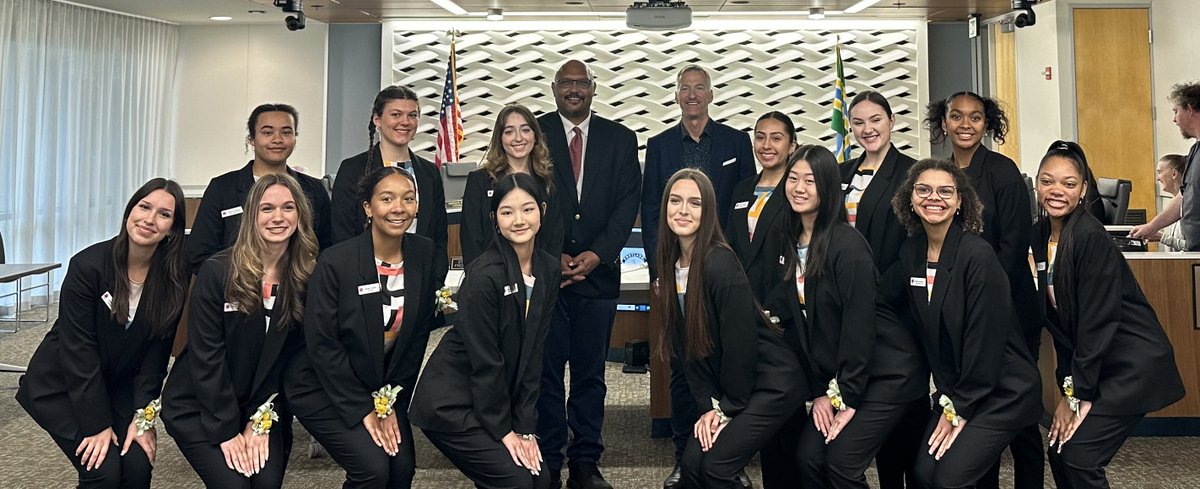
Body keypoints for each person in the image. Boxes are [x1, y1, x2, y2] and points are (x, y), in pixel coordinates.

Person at [759, 146, 926, 489]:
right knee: (807, 458)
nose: (799, 187)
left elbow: (858, 327)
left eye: (810, 180)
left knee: (840, 463)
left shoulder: (846, 246)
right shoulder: (789, 241)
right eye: (793, 178)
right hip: (844, 375)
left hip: (886, 373)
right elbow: (802, 325)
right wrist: (822, 390)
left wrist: (845, 397)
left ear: (828, 188)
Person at [1030, 141, 1185, 489]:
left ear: (1084, 189)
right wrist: (1069, 389)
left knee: (1080, 458)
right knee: (1059, 448)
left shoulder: (1089, 237)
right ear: (1037, 184)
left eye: (1069, 184)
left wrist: (1074, 398)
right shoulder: (1040, 235)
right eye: (1047, 181)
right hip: (1095, 367)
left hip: (1130, 365)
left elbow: (1096, 324)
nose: (1057, 191)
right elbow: (1063, 327)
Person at [16, 178, 188, 489]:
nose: (150, 219)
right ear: (128, 212)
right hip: (61, 385)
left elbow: (156, 356)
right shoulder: (88, 266)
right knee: (104, 471)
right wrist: (97, 425)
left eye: (164, 214)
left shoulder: (173, 278)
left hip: (117, 386)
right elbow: (78, 352)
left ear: (173, 230)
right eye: (144, 207)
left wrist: (143, 418)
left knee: (137, 465)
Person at [889, 159, 1042, 489]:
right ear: (910, 200)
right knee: (924, 473)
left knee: (948, 478)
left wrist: (958, 409)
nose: (934, 197)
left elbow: (984, 343)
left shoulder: (977, 255)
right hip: (960, 389)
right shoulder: (910, 253)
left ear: (960, 202)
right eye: (924, 190)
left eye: (946, 191)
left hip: (1002, 390)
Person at [284, 166, 440, 488]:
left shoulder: (424, 254)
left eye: (408, 199)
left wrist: (388, 403)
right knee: (373, 469)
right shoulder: (336, 261)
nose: (399, 207)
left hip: (380, 388)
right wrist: (363, 409)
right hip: (322, 385)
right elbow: (323, 345)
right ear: (368, 207)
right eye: (387, 198)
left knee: (401, 469)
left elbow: (415, 340)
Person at [652, 168, 805, 489]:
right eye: (675, 201)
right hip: (733, 389)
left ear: (708, 212)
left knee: (717, 467)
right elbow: (688, 351)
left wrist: (728, 410)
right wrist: (708, 407)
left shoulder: (719, 261)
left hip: (770, 384)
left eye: (694, 203)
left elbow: (740, 344)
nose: (683, 210)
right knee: (693, 464)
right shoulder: (670, 265)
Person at [162, 173, 317, 488]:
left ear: (300, 214)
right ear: (251, 216)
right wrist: (227, 430)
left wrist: (258, 424)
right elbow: (207, 357)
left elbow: (294, 361)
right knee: (235, 485)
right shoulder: (218, 272)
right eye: (267, 208)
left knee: (265, 484)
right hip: (202, 404)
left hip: (262, 404)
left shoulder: (308, 276)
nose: (278, 217)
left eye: (288, 208)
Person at [640, 64, 755, 489]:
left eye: (699, 89)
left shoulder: (735, 142)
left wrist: (733, 268)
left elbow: (740, 210)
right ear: (676, 96)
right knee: (682, 365)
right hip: (676, 270)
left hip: (721, 268)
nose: (692, 96)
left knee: (722, 361)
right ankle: (681, 452)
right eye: (685, 89)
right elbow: (654, 210)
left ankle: (730, 451)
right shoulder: (659, 145)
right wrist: (659, 272)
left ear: (710, 95)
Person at [410, 173, 561, 489]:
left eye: (528, 209)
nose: (518, 220)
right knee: (519, 482)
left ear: (542, 211)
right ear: (494, 219)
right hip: (453, 403)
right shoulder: (484, 275)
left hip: (492, 400)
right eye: (507, 212)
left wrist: (526, 428)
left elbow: (533, 357)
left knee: (543, 479)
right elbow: (486, 362)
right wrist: (505, 432)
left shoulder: (548, 269)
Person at [924, 92, 1042, 489]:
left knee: (1016, 408)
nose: (965, 124)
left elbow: (1013, 242)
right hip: (961, 311)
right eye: (956, 116)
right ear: (943, 123)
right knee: (978, 406)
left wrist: (985, 298)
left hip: (1008, 304)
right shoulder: (938, 173)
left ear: (987, 124)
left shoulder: (1002, 170)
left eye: (975, 117)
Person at [534, 59, 641, 489]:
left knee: (590, 374)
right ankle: (547, 458)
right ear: (555, 88)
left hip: (598, 278)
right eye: (567, 83)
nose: (574, 89)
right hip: (547, 277)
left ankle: (584, 463)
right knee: (544, 373)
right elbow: (526, 198)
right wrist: (549, 253)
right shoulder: (534, 133)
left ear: (594, 88)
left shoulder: (620, 138)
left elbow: (627, 202)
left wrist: (598, 253)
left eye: (582, 83)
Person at [844, 91, 926, 489]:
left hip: (895, 308)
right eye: (858, 122)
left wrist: (875, 295)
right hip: (851, 310)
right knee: (874, 407)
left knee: (906, 410)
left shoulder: (911, 173)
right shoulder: (843, 173)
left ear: (891, 121)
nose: (867, 129)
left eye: (875, 119)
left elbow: (913, 244)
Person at [186, 103, 332, 272]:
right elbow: (199, 253)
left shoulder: (313, 189)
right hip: (233, 288)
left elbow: (327, 248)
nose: (277, 139)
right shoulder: (222, 188)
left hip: (299, 288)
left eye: (286, 132)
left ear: (295, 138)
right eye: (267, 132)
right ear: (252, 139)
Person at [329, 85, 448, 287]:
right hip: (364, 280)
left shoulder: (429, 172)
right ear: (377, 120)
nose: (405, 122)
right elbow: (342, 235)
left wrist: (434, 282)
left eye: (412, 115)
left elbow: (438, 236)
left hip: (420, 281)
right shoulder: (352, 169)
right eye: (396, 114)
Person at [461, 104, 564, 266]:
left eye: (525, 130)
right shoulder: (479, 181)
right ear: (500, 139)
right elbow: (471, 240)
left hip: (539, 279)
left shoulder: (547, 180)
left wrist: (547, 279)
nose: (518, 138)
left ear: (535, 136)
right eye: (509, 132)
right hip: (490, 279)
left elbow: (554, 238)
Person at [725, 111, 797, 301]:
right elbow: (730, 244)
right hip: (740, 297)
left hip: (780, 302)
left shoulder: (797, 192)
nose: (766, 145)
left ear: (791, 146)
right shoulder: (742, 189)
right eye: (760, 137)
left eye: (776, 138)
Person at [1131, 82, 1200, 249]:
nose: (1174, 119)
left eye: (1176, 111)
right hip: (1193, 250)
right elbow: (1183, 199)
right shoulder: (1194, 151)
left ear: (1189, 109)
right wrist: (1151, 226)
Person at [1155, 154, 1188, 251]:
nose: (1157, 178)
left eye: (1160, 172)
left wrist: (1162, 238)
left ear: (1174, 174)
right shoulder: (1171, 205)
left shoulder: (1190, 208)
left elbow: (1194, 248)